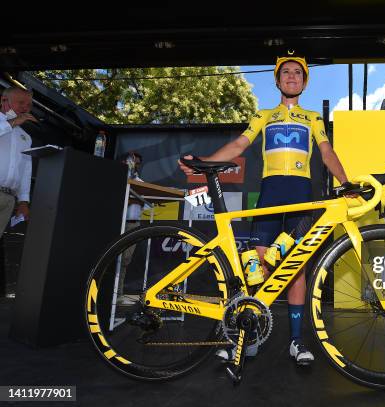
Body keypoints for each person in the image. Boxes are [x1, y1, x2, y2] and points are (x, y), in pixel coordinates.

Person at [178, 53, 352, 366]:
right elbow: (238, 146)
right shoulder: (264, 114)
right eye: (285, 72)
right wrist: (204, 163)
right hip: (271, 191)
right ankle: (251, 336)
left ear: (303, 81)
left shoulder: (313, 117)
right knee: (259, 264)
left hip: (301, 190)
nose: (291, 76)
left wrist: (346, 181)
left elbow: (326, 151)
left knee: (296, 267)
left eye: (297, 73)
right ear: (277, 80)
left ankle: (297, 342)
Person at [0, 87, 36, 236]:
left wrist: (23, 201)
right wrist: (12, 122)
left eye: (29, 105)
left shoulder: (25, 137)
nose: (25, 108)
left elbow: (26, 170)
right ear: (4, 101)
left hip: (8, 198)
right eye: (21, 102)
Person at [117, 151, 145, 305]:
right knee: (115, 257)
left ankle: (118, 294)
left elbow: (144, 200)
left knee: (125, 259)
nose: (135, 164)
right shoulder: (117, 177)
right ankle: (112, 293)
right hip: (117, 221)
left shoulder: (139, 180)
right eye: (132, 160)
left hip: (133, 223)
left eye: (137, 162)